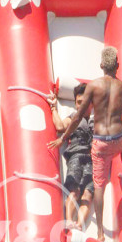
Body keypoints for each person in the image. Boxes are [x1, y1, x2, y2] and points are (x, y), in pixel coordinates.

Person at [59, 47, 122, 241]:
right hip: (118, 138)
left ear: (101, 65)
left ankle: (101, 232)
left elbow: (78, 116)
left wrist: (63, 137)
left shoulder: (93, 86)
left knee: (99, 186)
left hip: (101, 143)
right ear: (117, 65)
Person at [46, 83, 95, 233]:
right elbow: (60, 127)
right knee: (74, 190)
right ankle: (68, 221)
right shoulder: (73, 118)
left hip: (93, 160)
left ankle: (79, 224)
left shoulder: (97, 120)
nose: (82, 106)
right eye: (79, 102)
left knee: (88, 194)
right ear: (75, 104)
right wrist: (53, 107)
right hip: (76, 156)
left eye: (85, 102)